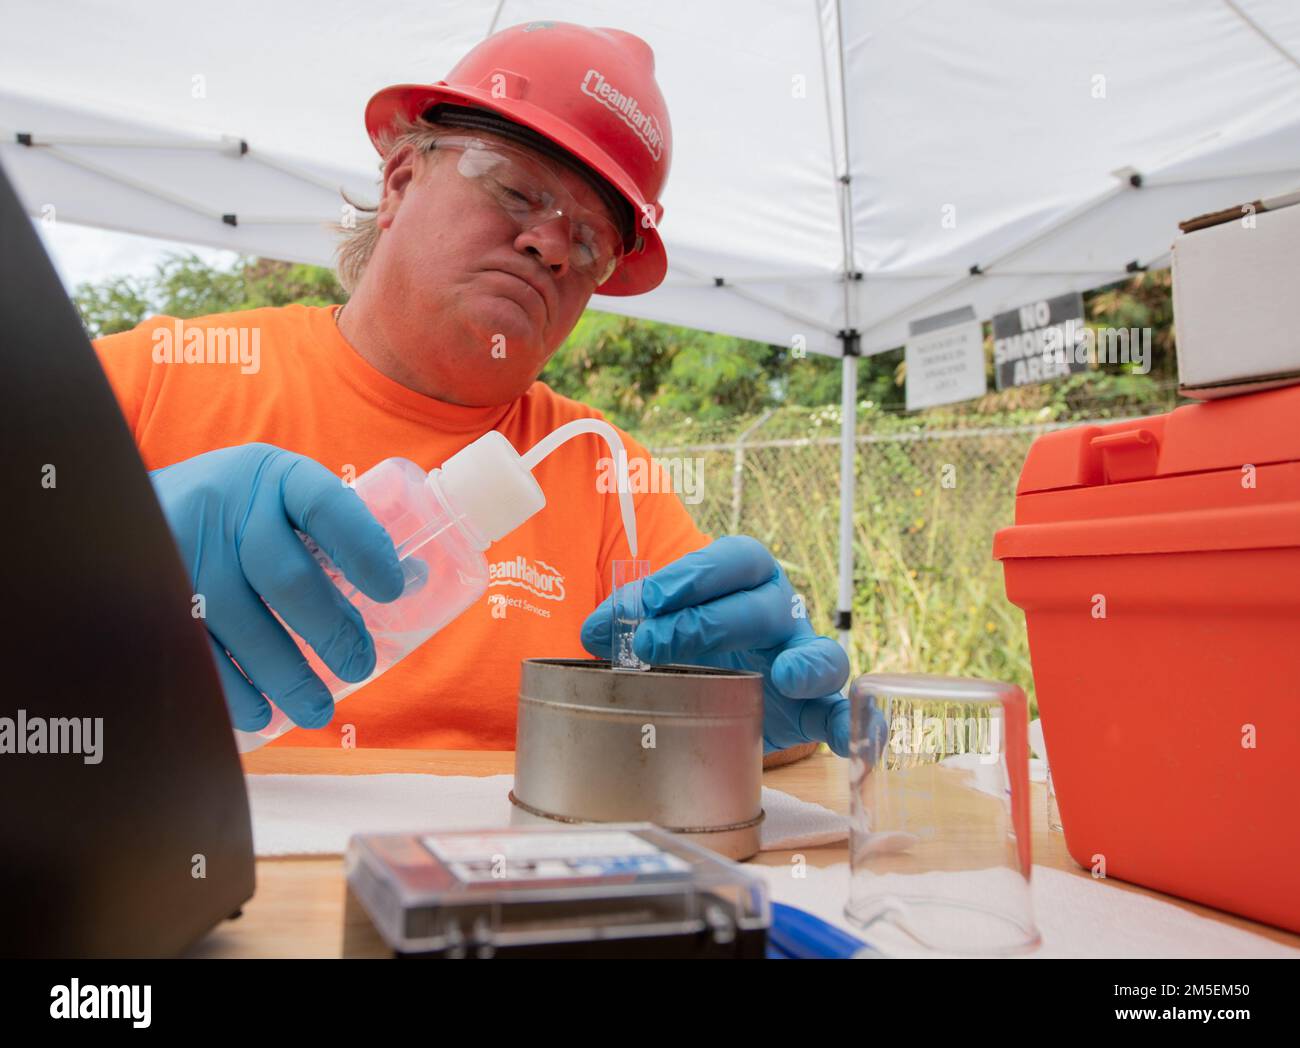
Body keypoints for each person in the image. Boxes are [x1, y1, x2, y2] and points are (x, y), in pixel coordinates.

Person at [92, 21, 852, 756]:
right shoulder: (163, 374)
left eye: (590, 241)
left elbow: (699, 720)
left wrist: (739, 715)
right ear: (399, 181)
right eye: (516, 192)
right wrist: (90, 550)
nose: (550, 245)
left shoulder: (604, 475)